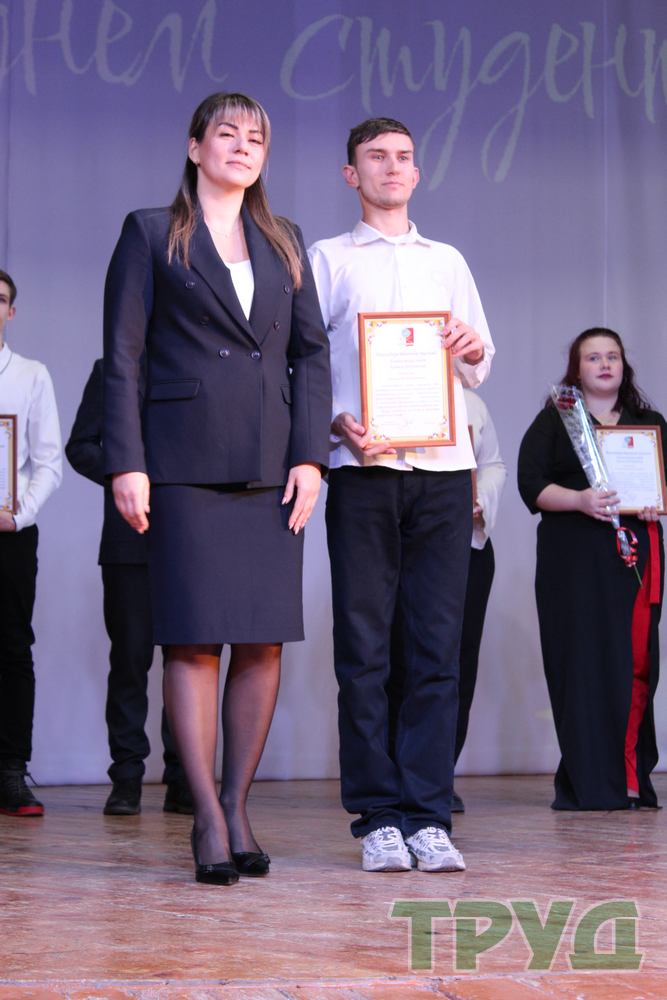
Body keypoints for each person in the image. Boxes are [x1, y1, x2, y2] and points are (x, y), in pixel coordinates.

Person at [103, 93, 331, 885]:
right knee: (194, 639)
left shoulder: (284, 238)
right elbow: (123, 355)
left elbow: (311, 354)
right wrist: (127, 462)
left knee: (262, 640)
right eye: (227, 133)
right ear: (195, 147)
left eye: (255, 137)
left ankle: (236, 806)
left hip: (271, 464)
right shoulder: (150, 232)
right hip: (183, 463)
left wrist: (310, 457)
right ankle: (203, 814)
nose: (242, 146)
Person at [308, 118, 494, 872]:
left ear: (417, 173)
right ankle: (378, 816)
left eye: (404, 157)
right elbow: (303, 361)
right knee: (363, 650)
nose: (392, 167)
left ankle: (428, 814)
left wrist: (472, 349)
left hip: (443, 472)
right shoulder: (327, 259)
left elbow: (479, 359)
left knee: (435, 647)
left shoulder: (446, 260)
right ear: (350, 174)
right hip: (362, 471)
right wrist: (333, 423)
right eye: (376, 157)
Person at [518, 328, 664, 811]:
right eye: (593, 358)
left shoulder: (649, 423)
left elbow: (662, 486)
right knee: (581, 665)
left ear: (624, 366)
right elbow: (531, 485)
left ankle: (630, 779)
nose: (604, 365)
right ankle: (588, 781)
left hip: (634, 559)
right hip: (572, 562)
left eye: (612, 356)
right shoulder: (555, 421)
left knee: (635, 664)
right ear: (576, 370)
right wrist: (580, 500)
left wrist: (653, 503)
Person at [66, 359, 192, 816]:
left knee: (189, 660)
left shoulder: (196, 360)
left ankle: (184, 778)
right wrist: (126, 474)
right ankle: (126, 779)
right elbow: (80, 446)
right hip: (128, 541)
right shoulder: (111, 371)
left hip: (190, 539)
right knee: (130, 662)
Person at [387, 389, 506, 813]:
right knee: (399, 658)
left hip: (467, 548)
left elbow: (493, 465)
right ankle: (393, 775)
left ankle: (438, 775)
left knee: (456, 662)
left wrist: (479, 501)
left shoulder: (472, 402)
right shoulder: (390, 392)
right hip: (405, 546)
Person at [0, 269, 62, 816]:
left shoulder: (30, 375)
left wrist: (17, 516)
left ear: (11, 312)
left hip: (9, 537)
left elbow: (48, 463)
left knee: (12, 649)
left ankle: (10, 771)